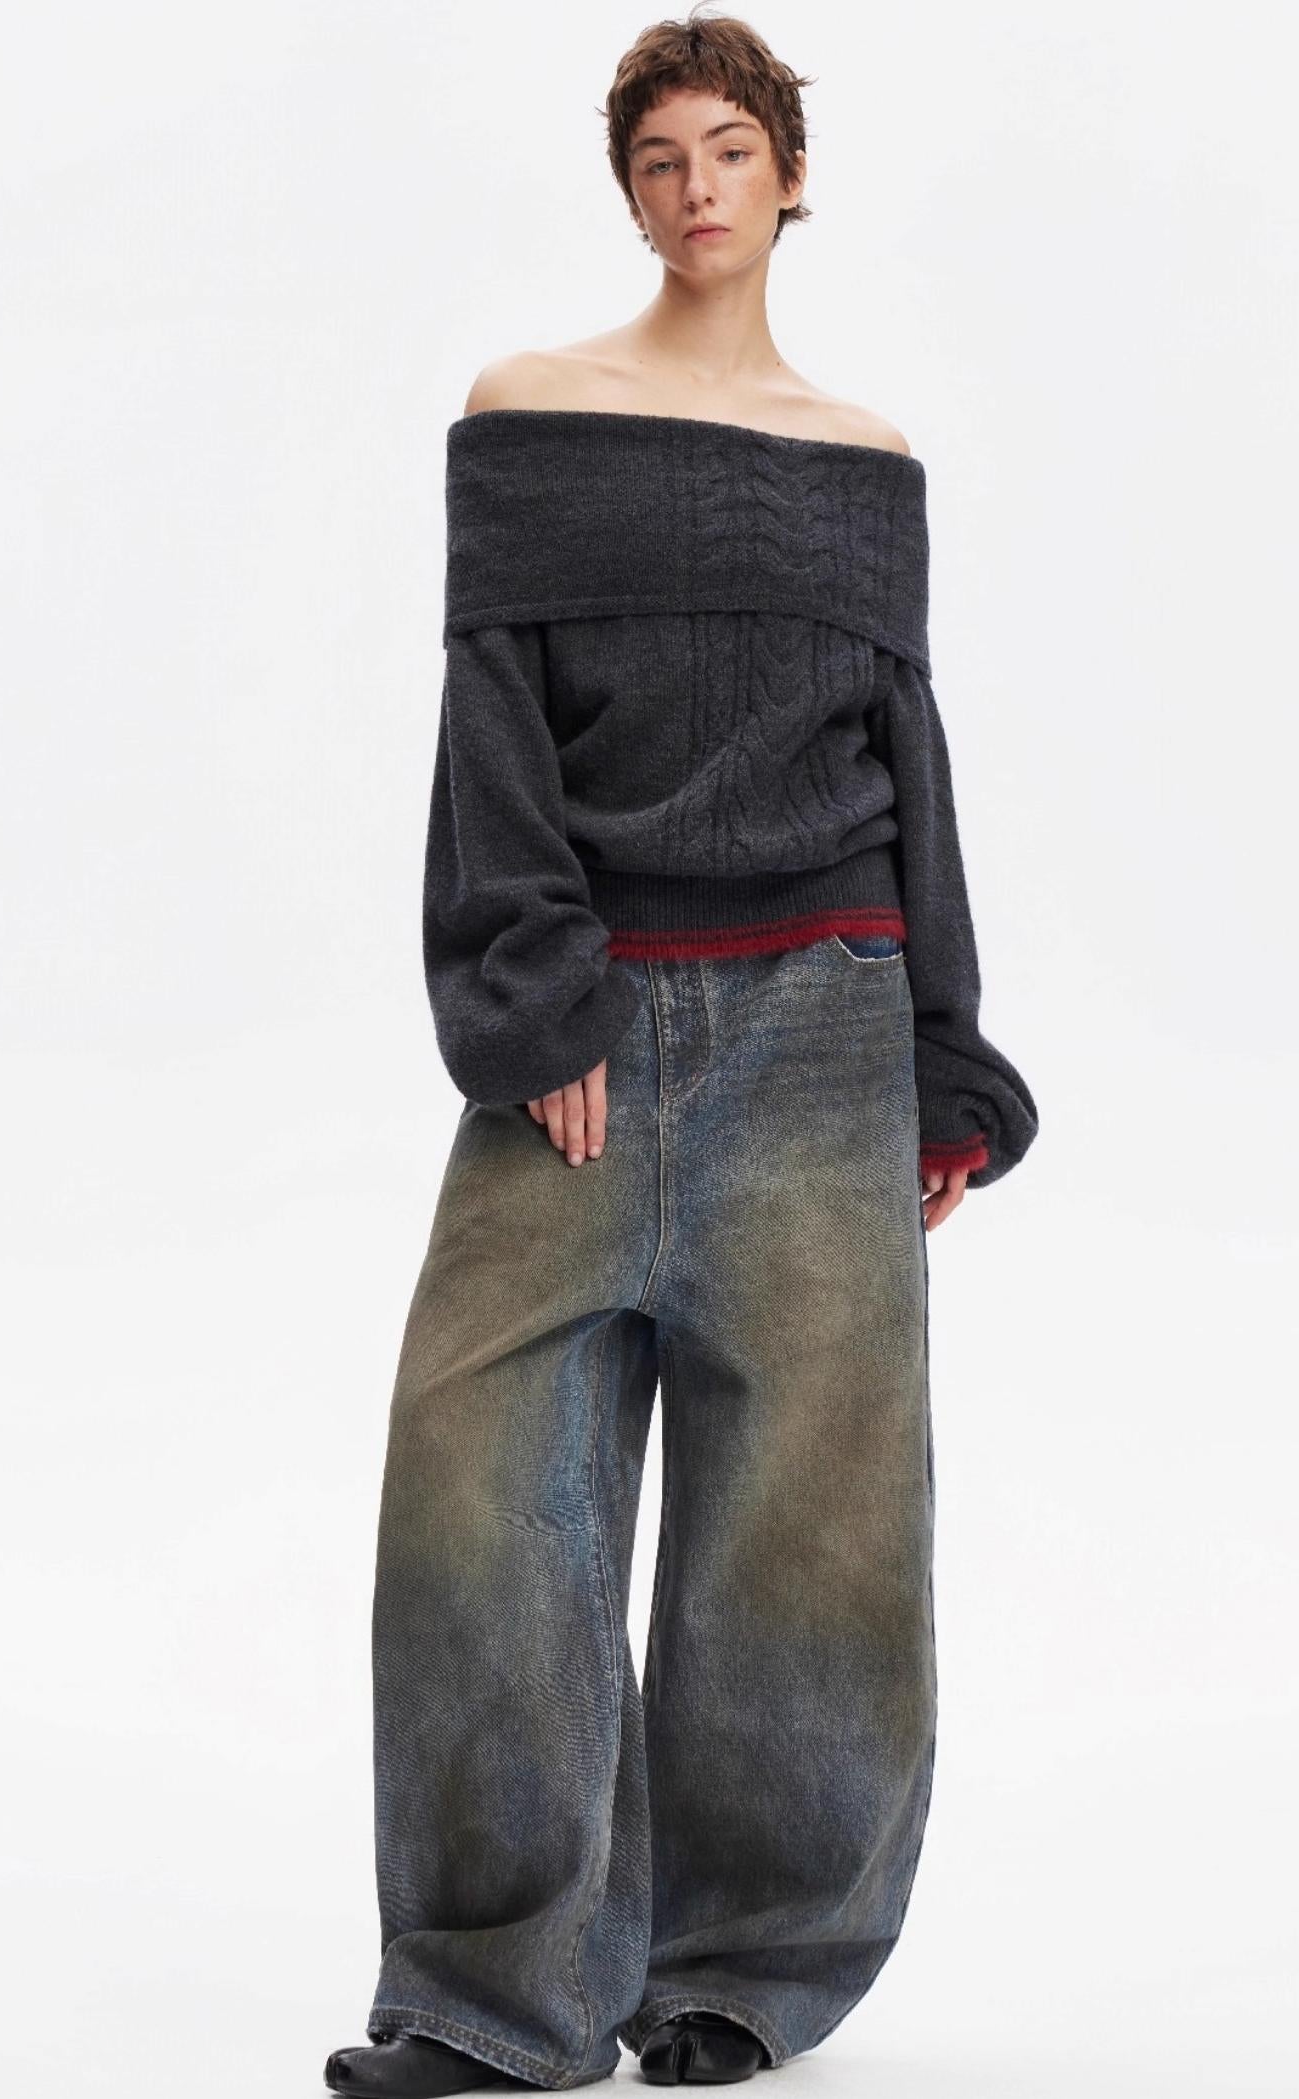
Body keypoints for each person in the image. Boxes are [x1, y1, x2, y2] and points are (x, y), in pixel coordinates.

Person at [325, 11, 1038, 2096]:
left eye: (731, 148)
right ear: (628, 190)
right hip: (589, 1030)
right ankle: (494, 1999)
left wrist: (942, 1062)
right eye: (660, 157)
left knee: (811, 1534)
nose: (697, 185)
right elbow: (488, 730)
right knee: (477, 1513)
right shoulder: (528, 414)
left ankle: (745, 1970)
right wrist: (533, 998)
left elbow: (908, 767)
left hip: (826, 1022)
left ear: (788, 178)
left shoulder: (866, 462)